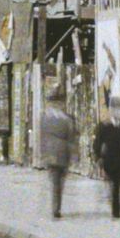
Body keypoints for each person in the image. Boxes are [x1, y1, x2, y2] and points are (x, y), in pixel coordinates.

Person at [93, 96, 120, 219]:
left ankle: (116, 211)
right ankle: (114, 207)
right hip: (108, 161)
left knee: (117, 186)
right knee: (111, 186)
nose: (118, 112)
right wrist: (98, 158)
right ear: (111, 110)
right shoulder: (104, 126)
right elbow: (97, 143)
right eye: (116, 109)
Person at [38, 90, 76, 219]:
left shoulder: (45, 118)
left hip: (55, 154)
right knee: (58, 182)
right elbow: (71, 138)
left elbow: (42, 137)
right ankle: (56, 208)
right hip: (61, 154)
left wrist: (43, 154)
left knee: (57, 182)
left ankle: (56, 208)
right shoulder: (66, 119)